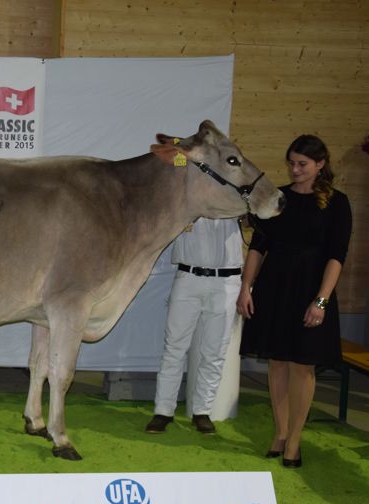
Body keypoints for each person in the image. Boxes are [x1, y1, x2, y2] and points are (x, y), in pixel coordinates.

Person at [238, 134, 352, 468]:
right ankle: (280, 432)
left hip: (311, 290)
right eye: (291, 163)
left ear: (320, 164)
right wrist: (246, 287)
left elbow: (337, 257)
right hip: (274, 287)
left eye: (302, 164)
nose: (295, 169)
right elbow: (258, 246)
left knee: (303, 365)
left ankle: (295, 440)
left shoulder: (337, 203)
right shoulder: (278, 198)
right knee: (277, 362)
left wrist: (321, 301)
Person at [145, 217, 243, 435]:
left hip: (226, 280)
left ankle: (202, 411)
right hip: (188, 277)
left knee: (214, 351)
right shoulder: (186, 196)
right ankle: (163, 411)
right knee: (174, 348)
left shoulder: (235, 199)